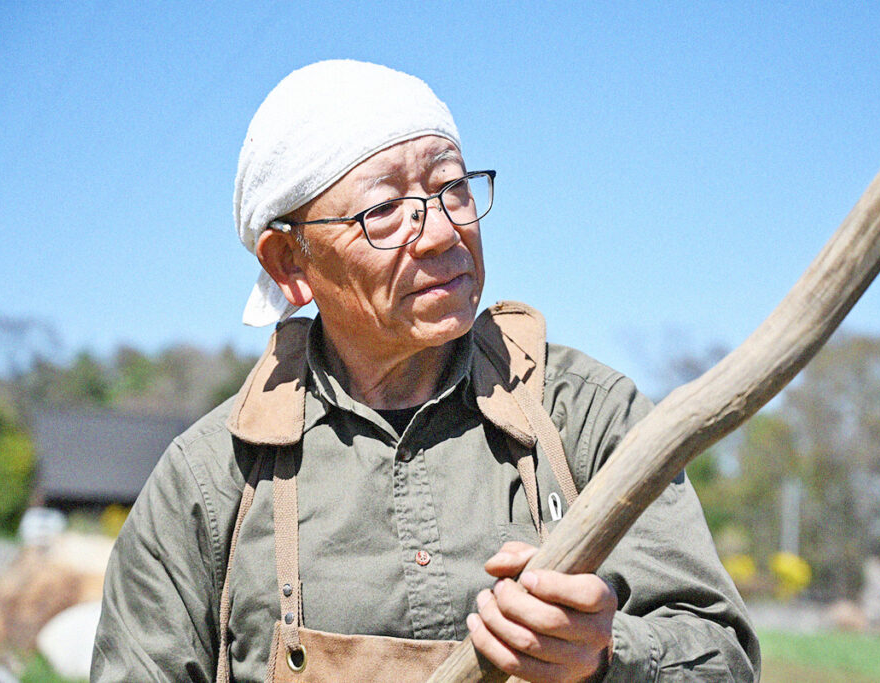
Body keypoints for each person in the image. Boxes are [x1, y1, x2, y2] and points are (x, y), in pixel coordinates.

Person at [92, 60, 759, 682]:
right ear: (289, 264)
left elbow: (723, 651)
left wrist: (607, 654)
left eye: (453, 188)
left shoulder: (584, 417)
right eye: (382, 210)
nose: (442, 231)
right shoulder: (212, 483)